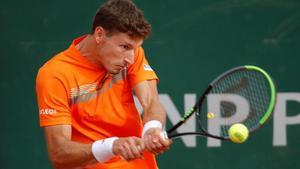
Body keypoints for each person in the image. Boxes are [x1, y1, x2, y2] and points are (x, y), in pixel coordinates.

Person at [35, 0, 172, 168]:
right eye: (124, 46)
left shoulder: (132, 56)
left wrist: (152, 128)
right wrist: (111, 147)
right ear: (99, 35)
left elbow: (151, 101)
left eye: (134, 48)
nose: (130, 58)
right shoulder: (55, 74)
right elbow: (59, 154)